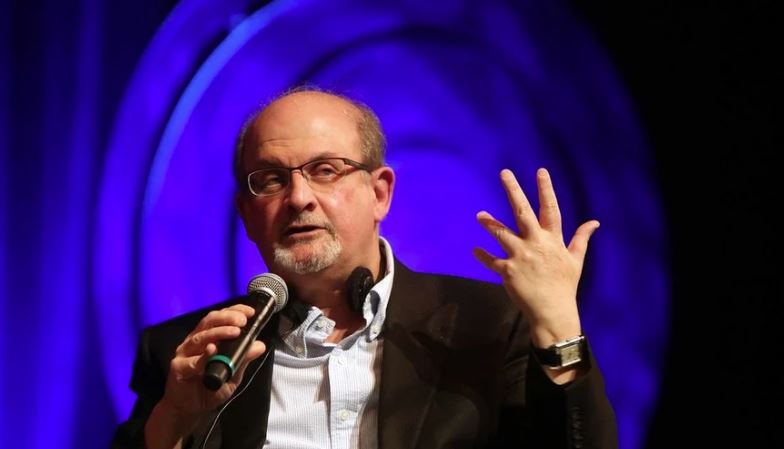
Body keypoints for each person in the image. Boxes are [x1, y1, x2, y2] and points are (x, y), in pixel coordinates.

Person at [112, 87, 617, 449]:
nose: (299, 198)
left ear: (380, 194)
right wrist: (174, 418)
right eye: (270, 180)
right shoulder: (192, 355)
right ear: (246, 214)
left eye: (325, 170)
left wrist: (558, 327)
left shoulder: (490, 324)